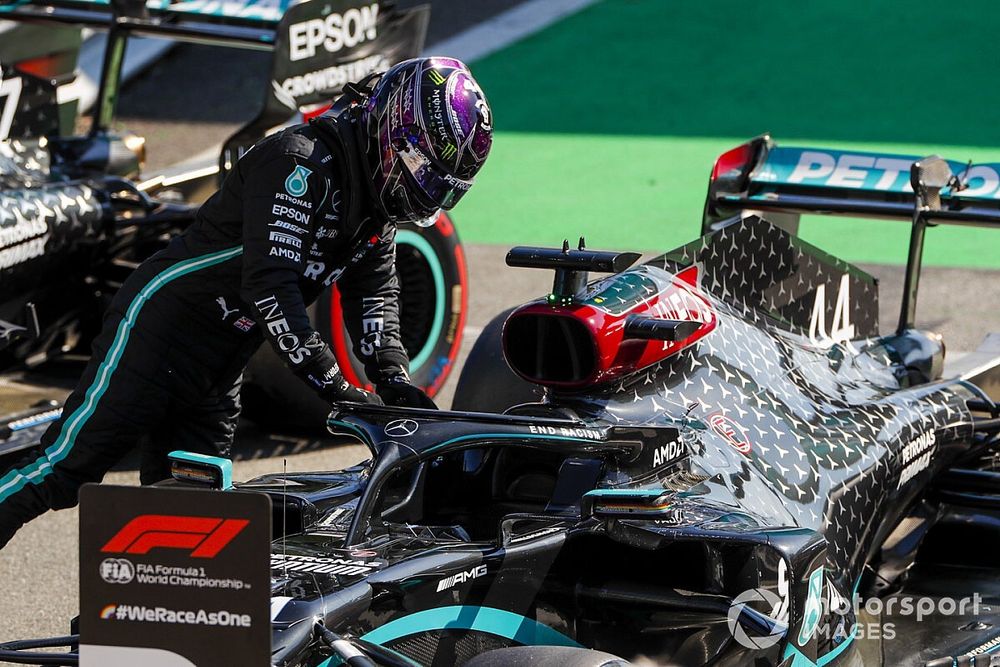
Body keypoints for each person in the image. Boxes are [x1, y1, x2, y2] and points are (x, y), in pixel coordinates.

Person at [0, 57, 492, 547]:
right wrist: (337, 387)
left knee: (196, 507)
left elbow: (375, 294)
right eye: (424, 175)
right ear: (393, 128)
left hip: (220, 362)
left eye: (439, 189)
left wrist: (393, 378)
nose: (421, 195)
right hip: (159, 332)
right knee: (63, 471)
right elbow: (269, 288)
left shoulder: (377, 204)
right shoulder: (298, 162)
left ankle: (148, 622)